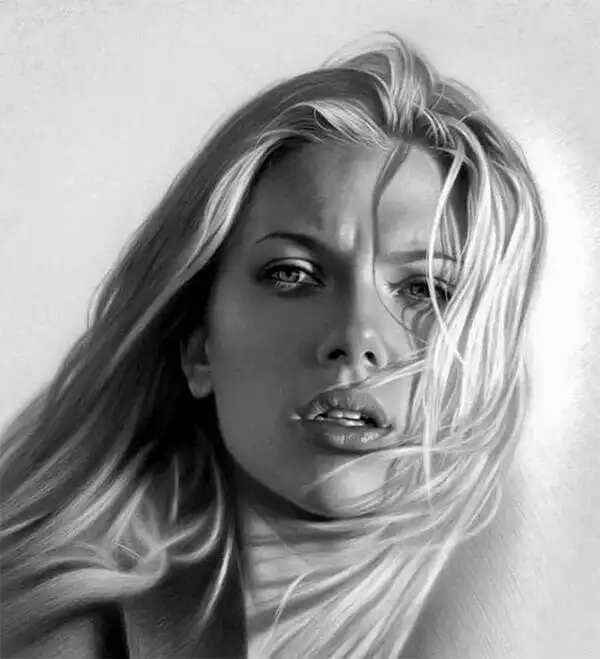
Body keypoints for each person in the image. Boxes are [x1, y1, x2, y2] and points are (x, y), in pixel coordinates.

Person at [0, 32, 544, 658]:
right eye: (293, 274)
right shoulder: (72, 635)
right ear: (196, 344)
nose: (356, 338)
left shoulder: (524, 595)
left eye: (425, 289)